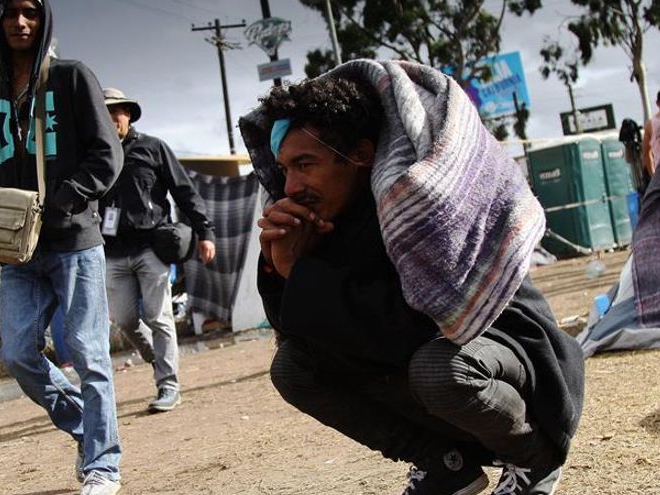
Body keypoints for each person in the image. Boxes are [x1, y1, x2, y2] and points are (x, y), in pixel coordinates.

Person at [239, 61, 585, 495]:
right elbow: (297, 330)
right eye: (285, 168)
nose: (290, 186)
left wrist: (299, 271)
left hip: (514, 356)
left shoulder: (418, 206)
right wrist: (281, 266)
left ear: (360, 155)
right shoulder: (322, 218)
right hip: (423, 357)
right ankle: (445, 463)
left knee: (440, 368)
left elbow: (406, 329)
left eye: (305, 164)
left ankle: (534, 456)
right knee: (294, 367)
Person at [0, 1, 123, 493]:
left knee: (89, 354)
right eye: (9, 12)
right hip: (18, 252)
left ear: (44, 19)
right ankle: (88, 429)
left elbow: (106, 154)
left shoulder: (73, 78)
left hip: (74, 240)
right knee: (16, 355)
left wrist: (63, 200)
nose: (19, 22)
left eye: (30, 11)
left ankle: (103, 465)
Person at [100, 88, 216, 413]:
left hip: (152, 246)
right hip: (112, 251)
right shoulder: (96, 154)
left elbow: (185, 192)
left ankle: (168, 385)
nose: (110, 119)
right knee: (124, 320)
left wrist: (205, 233)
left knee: (159, 317)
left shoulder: (153, 147)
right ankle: (155, 358)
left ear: (127, 115)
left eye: (116, 112)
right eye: (104, 113)